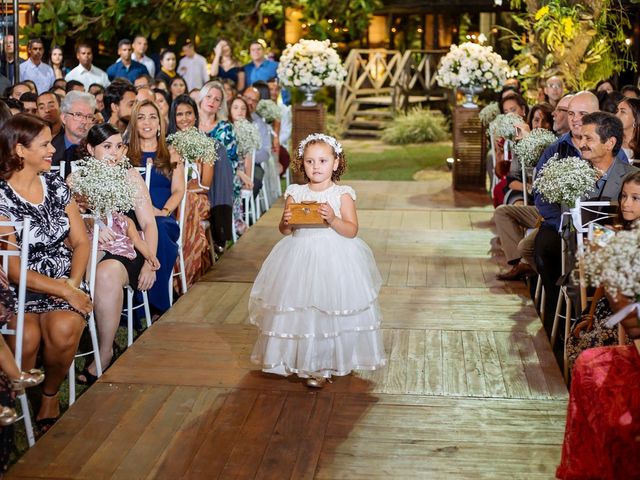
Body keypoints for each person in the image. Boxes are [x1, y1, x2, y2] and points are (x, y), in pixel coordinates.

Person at [249, 133, 386, 387]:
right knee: (301, 310)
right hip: (298, 257)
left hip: (335, 259)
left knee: (329, 310)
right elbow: (285, 229)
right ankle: (299, 361)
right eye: (310, 161)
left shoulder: (342, 194)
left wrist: (333, 219)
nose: (316, 167)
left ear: (335, 163)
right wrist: (286, 221)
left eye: (323, 161)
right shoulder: (295, 192)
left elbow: (351, 230)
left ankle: (326, 363)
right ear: (303, 164)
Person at [0, 114, 92, 431]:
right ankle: (13, 411)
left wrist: (74, 285)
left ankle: (50, 394)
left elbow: (81, 242)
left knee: (64, 329)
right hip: (21, 289)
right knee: (26, 339)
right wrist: (66, 290)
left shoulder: (55, 185)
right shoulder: (1, 197)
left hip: (65, 277)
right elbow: (12, 269)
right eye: (44, 144)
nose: (53, 149)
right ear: (20, 150)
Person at [75, 123, 158, 383]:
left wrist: (149, 263)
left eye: (118, 146)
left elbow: (148, 224)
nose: (114, 153)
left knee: (106, 274)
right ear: (90, 149)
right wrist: (88, 220)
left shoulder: (130, 175)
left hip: (127, 248)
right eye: (106, 146)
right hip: (88, 245)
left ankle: (106, 350)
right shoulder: (78, 177)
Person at [127, 100, 185, 314]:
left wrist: (164, 211)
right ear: (135, 124)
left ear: (160, 124)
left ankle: (155, 303)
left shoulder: (171, 154)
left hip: (163, 217)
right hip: (134, 217)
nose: (147, 122)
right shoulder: (125, 155)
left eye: (152, 117)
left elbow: (179, 190)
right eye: (141, 117)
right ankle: (138, 307)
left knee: (159, 227)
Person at [167, 94, 213, 286]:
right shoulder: (167, 144)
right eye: (179, 114)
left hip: (197, 199)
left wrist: (185, 191)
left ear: (196, 116)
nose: (184, 118)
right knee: (181, 203)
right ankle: (179, 277)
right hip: (173, 198)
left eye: (189, 113)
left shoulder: (205, 143)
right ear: (173, 117)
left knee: (188, 204)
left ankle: (187, 272)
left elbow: (206, 184)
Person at [199, 81, 240, 241]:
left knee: (219, 153)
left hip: (222, 179)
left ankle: (219, 234)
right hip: (195, 176)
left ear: (220, 106)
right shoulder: (191, 125)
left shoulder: (225, 128)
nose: (212, 101)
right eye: (209, 96)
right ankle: (218, 233)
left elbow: (231, 162)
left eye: (217, 99)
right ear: (201, 99)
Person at [52, 91, 96, 171]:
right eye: (78, 115)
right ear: (64, 118)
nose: (84, 122)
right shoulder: (51, 148)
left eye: (89, 117)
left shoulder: (98, 148)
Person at [616, 97, 640, 163]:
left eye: (623, 111)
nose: (616, 115)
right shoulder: (612, 142)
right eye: (617, 111)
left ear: (636, 118)